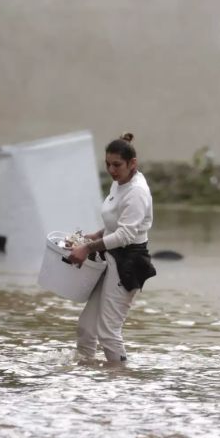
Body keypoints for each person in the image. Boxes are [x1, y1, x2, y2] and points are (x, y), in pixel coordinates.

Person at [67, 132, 156, 363]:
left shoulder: (136, 192)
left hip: (129, 262)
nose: (112, 170)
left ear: (132, 164)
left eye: (117, 165)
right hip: (111, 256)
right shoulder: (121, 182)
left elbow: (126, 235)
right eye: (108, 164)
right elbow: (117, 222)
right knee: (86, 327)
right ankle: (84, 379)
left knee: (108, 332)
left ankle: (120, 386)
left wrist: (87, 249)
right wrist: (95, 235)